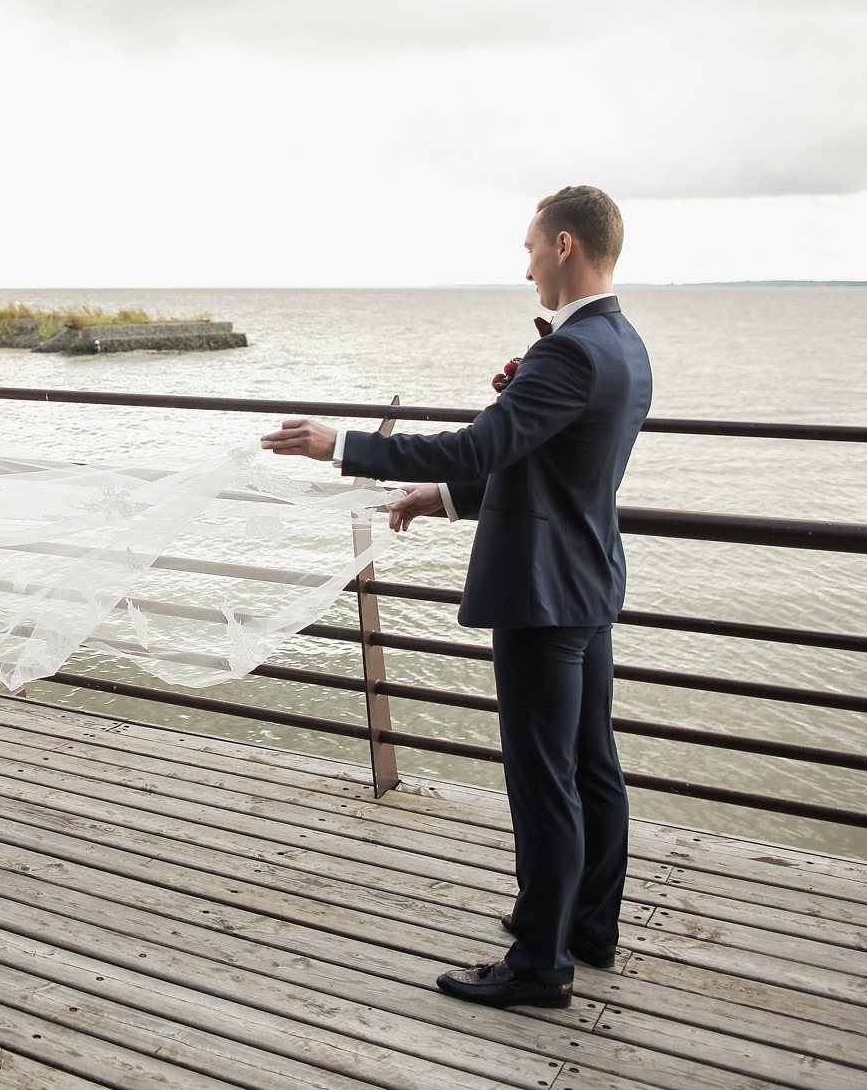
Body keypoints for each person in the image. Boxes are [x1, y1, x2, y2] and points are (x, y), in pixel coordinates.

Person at [260, 185, 652, 1008]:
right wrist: (440, 499)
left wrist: (347, 446)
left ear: (568, 246)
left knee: (543, 777)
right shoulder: (626, 346)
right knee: (591, 765)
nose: (528, 264)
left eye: (532, 247)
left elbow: (485, 443)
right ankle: (588, 924)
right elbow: (547, 463)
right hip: (586, 584)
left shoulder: (569, 353)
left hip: (541, 595)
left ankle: (541, 965)